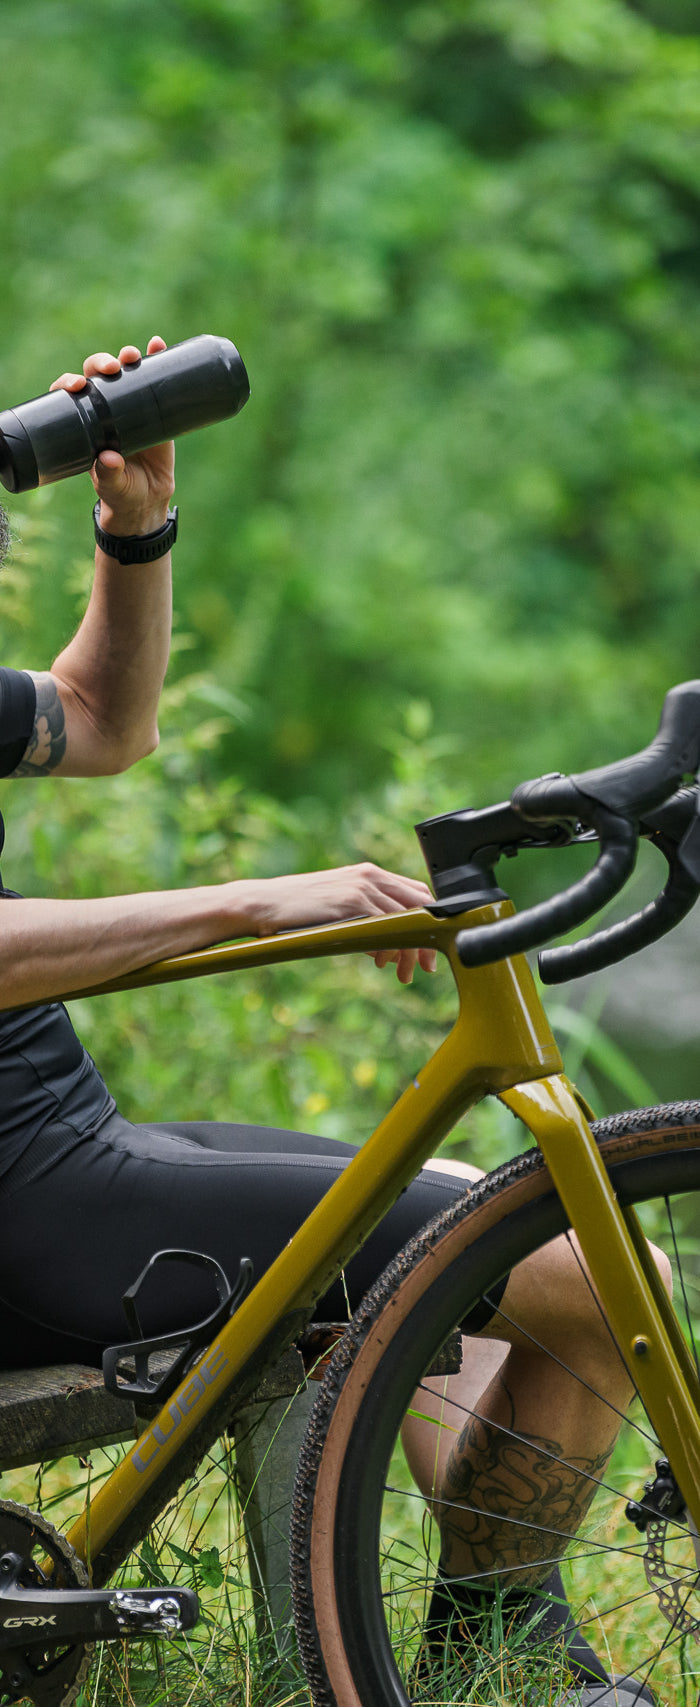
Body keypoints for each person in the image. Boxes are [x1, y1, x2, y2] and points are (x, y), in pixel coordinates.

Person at [0, 338, 656, 1704]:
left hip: (69, 1151)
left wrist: (136, 527)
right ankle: (489, 1648)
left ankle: (491, 1642)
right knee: (577, 1274)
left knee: (506, 1217)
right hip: (31, 1210)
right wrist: (254, 907)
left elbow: (98, 720)